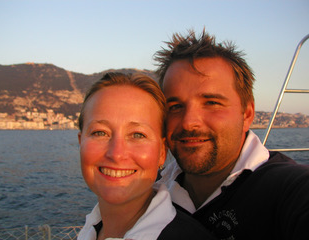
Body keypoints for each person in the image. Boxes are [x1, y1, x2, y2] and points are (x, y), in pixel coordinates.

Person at [154, 29, 309, 240]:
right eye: (175, 106)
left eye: (211, 103)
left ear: (247, 114)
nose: (189, 121)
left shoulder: (291, 191)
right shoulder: (151, 190)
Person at [77, 72, 215, 240]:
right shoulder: (90, 230)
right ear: (80, 142)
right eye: (100, 132)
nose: (117, 154)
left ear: (162, 153)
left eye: (137, 135)